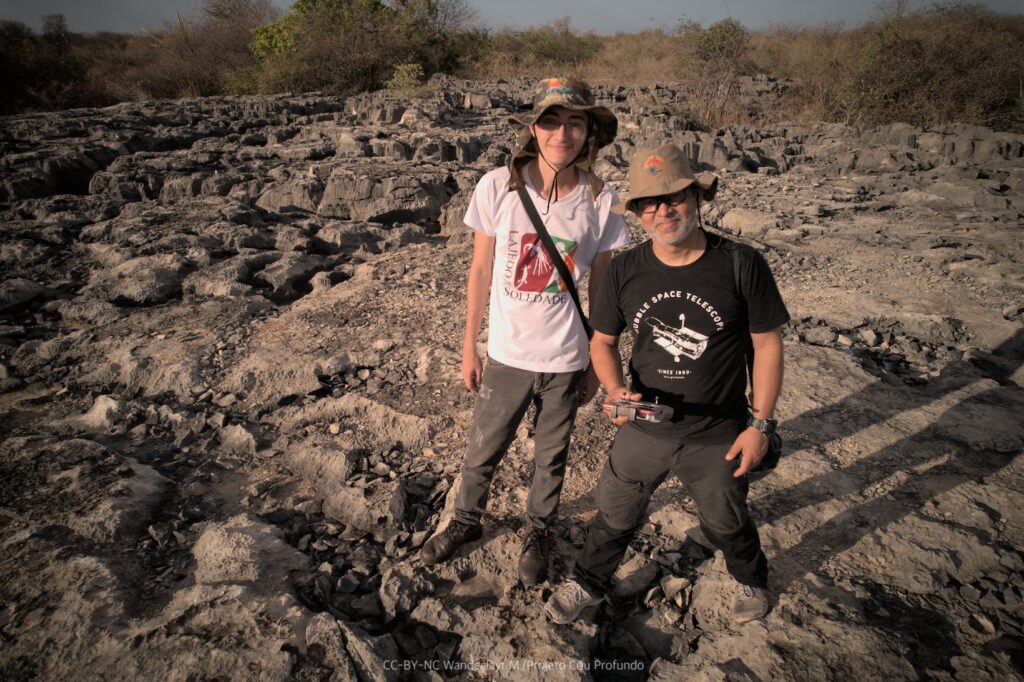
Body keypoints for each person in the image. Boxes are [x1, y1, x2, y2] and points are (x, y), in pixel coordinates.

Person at [545, 143, 790, 625]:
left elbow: (768, 346)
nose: (662, 211)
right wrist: (615, 390)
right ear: (635, 212)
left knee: (727, 520)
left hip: (717, 432)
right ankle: (589, 584)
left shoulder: (741, 263)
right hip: (645, 427)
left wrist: (759, 425)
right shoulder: (623, 270)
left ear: (696, 197)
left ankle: (751, 579)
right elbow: (603, 341)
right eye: (648, 203)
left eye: (674, 197)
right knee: (614, 512)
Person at [420, 76, 630, 585]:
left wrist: (599, 364)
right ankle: (466, 521)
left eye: (574, 122)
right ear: (533, 128)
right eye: (551, 121)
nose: (562, 133)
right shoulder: (498, 185)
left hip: (566, 357)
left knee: (551, 456)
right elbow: (480, 272)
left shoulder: (604, 200)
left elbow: (604, 292)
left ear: (588, 133)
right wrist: (469, 346)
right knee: (483, 448)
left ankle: (539, 531)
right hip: (507, 354)